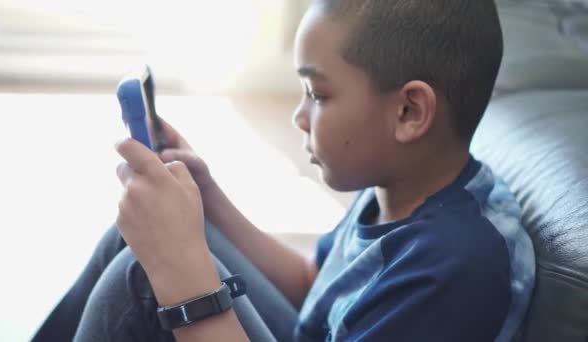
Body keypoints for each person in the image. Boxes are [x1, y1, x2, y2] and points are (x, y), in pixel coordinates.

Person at [31, 0, 535, 341]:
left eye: (318, 94)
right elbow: (313, 283)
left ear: (409, 112)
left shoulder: (456, 268)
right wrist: (209, 200)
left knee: (146, 272)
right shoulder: (402, 184)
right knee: (153, 237)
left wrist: (181, 273)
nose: (298, 116)